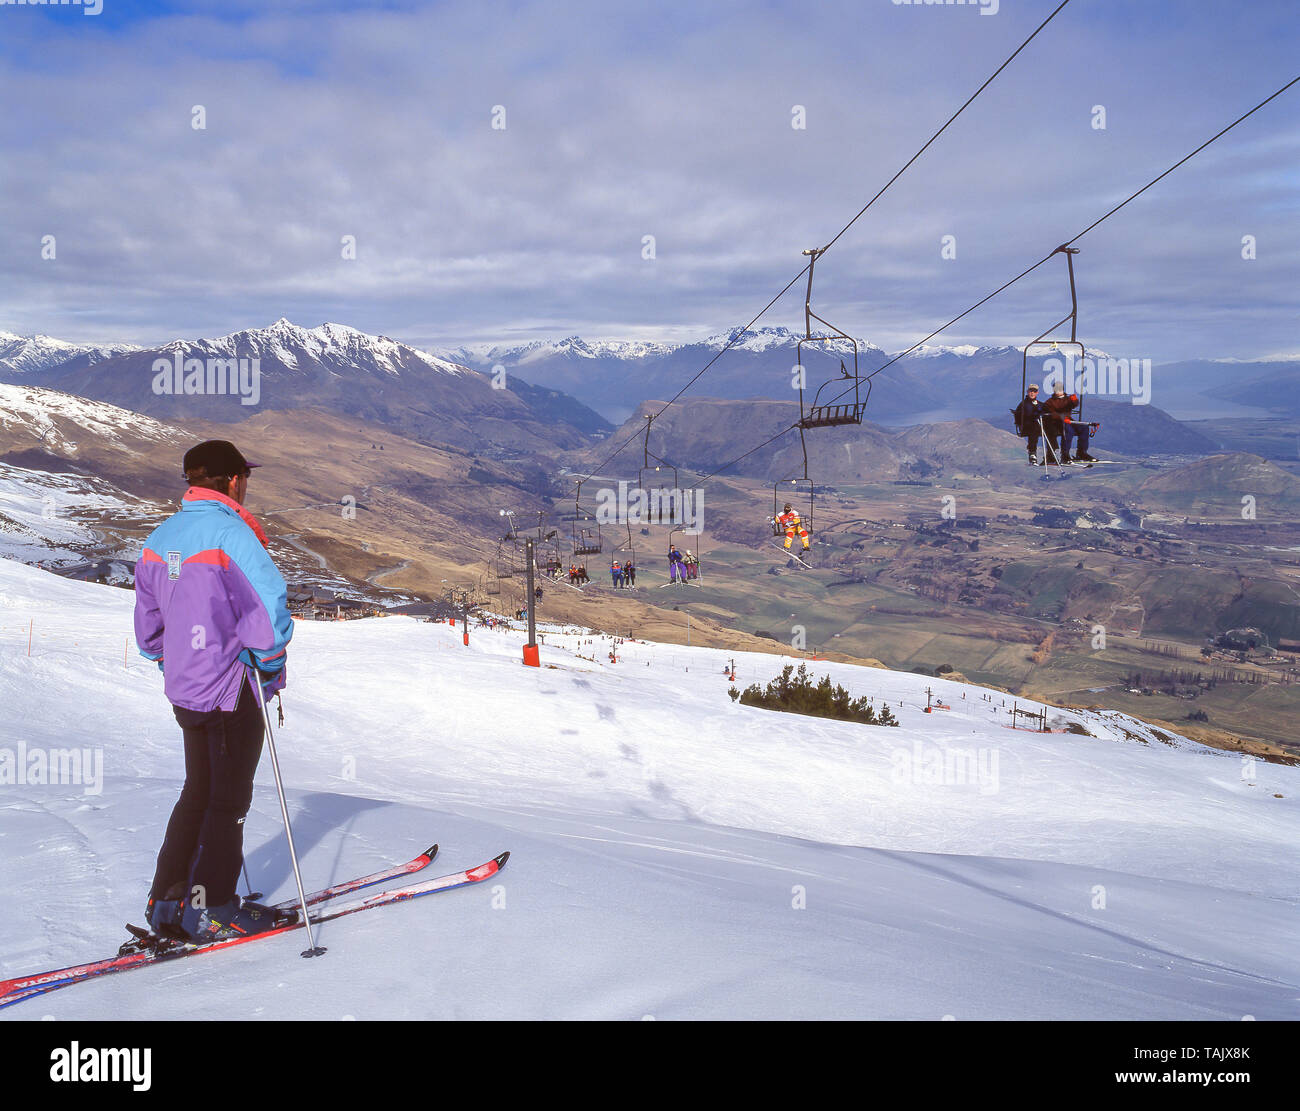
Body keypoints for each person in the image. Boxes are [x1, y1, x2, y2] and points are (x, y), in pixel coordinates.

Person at [133, 440, 293, 943]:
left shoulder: (163, 537)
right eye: (244, 476)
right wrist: (269, 663)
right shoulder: (231, 533)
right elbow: (269, 608)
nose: (247, 484)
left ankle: (168, 901)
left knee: (197, 792)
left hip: (184, 688)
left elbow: (148, 622)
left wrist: (169, 658)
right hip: (230, 686)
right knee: (228, 801)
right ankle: (215, 906)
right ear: (230, 481)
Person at [1012, 384, 1044, 465]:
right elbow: (1020, 415)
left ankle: (1051, 454)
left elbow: (1045, 410)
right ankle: (1032, 453)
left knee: (1050, 429)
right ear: (1027, 392)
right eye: (1031, 391)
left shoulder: (1039, 404)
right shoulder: (1024, 404)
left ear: (1037, 393)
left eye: (1034, 391)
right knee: (1034, 428)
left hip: (1037, 425)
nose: (1032, 393)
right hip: (1027, 426)